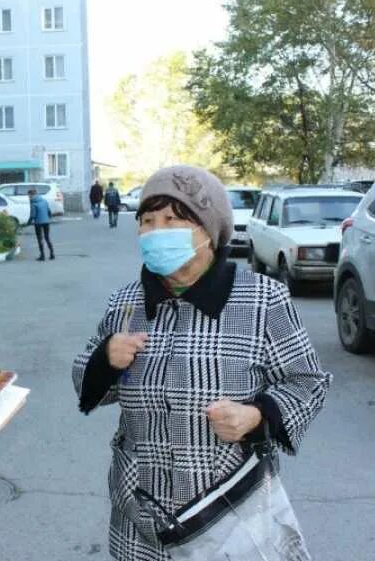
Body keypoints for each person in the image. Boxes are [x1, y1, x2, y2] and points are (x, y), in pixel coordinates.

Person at [72, 165, 331, 561]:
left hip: (226, 510)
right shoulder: (125, 303)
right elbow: (84, 384)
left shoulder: (264, 299)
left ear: (209, 231)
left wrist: (257, 416)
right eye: (147, 221)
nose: (155, 231)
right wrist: (105, 359)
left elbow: (306, 382)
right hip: (137, 512)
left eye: (172, 219)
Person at [26, 188, 55, 261]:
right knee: (47, 238)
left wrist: (28, 223)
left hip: (38, 223)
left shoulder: (33, 202)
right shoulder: (44, 201)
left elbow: (33, 215)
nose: (28, 197)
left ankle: (42, 256)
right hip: (46, 222)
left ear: (32, 195)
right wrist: (48, 218)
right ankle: (52, 254)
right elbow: (49, 211)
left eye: (29, 195)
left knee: (40, 239)